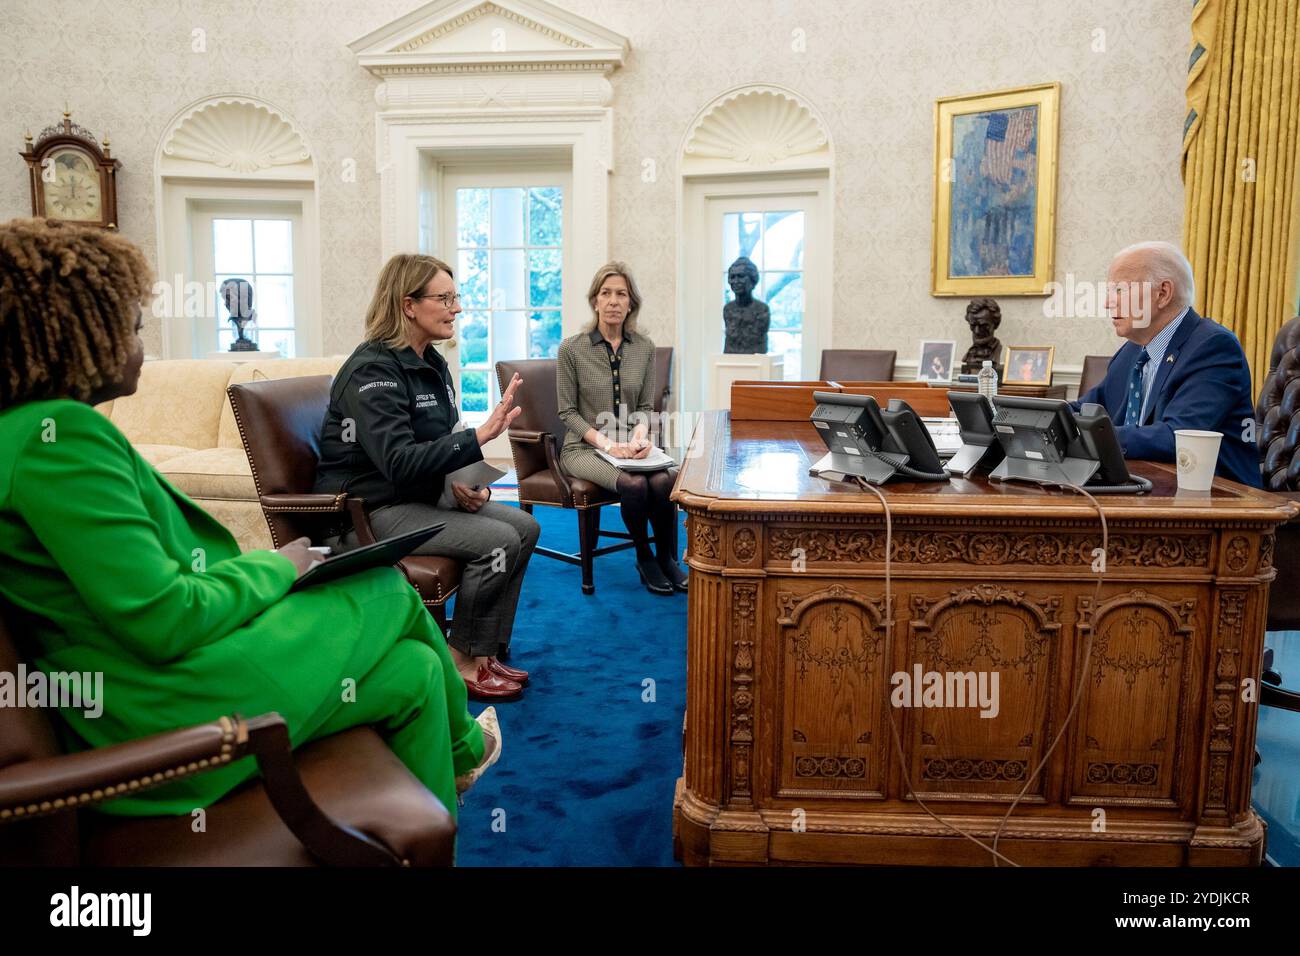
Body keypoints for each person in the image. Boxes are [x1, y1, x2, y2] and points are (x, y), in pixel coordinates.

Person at [0, 218, 497, 826]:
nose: (142, 342)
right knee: (385, 587)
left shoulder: (23, 431)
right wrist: (278, 565)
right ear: (80, 331)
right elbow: (166, 617)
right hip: (160, 708)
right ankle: (468, 750)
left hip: (146, 683)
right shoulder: (59, 437)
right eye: (131, 323)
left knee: (417, 672)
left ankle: (444, 796)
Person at [314, 254, 540, 702]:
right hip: (365, 512)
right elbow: (397, 462)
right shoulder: (372, 371)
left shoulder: (431, 362)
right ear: (408, 305)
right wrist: (479, 438)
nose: (456, 308)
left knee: (526, 527)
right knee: (498, 541)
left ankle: (485, 650)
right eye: (446, 298)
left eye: (456, 297)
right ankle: (459, 659)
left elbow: (441, 442)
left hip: (415, 499)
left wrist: (467, 482)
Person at [1075, 240, 1260, 487]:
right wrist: (1034, 418)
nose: (1107, 303)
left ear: (1162, 293)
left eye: (1119, 290)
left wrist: (1092, 435)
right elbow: (1086, 410)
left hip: (1223, 500)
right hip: (1149, 489)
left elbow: (1179, 437)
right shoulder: (1131, 353)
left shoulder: (1213, 347)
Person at [557, 262, 686, 595]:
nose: (613, 301)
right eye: (606, 293)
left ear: (631, 304)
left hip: (630, 446)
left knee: (663, 480)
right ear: (595, 301)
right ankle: (644, 557)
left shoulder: (644, 348)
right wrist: (610, 446)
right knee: (634, 485)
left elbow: (645, 408)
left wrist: (640, 437)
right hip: (583, 448)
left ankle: (665, 558)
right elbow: (567, 412)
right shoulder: (572, 348)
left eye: (621, 294)